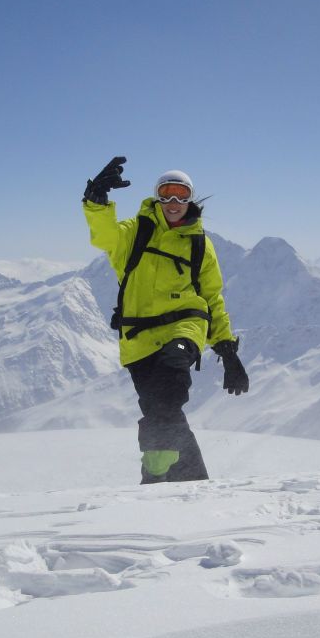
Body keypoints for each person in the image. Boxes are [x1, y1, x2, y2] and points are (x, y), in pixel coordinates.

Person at [82, 156, 249, 484]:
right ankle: (193, 480)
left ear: (191, 199)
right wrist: (97, 201)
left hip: (185, 326)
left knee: (170, 389)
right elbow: (104, 237)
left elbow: (213, 297)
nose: (174, 202)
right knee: (161, 409)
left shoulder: (200, 244)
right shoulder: (136, 231)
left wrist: (227, 352)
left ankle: (155, 476)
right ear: (157, 197)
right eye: (167, 193)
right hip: (139, 338)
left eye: (181, 195)